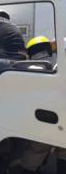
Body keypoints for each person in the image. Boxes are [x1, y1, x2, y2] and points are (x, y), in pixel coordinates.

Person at [19, 36, 66, 174]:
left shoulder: (29, 68)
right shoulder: (61, 63)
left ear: (31, 51)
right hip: (63, 115)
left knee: (36, 151)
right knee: (64, 151)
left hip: (42, 118)